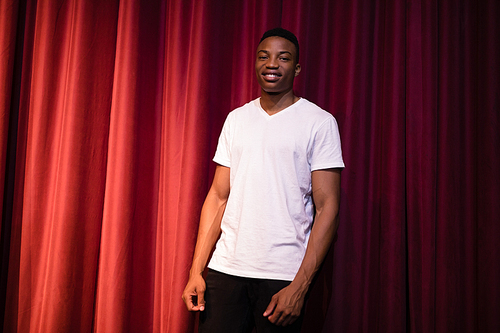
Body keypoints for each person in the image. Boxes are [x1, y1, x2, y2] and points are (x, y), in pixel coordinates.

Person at [182, 27, 344, 332]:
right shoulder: (237, 119)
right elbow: (218, 198)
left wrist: (300, 287)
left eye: (283, 58)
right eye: (264, 56)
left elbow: (328, 209)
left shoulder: (319, 122)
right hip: (224, 269)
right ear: (255, 63)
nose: (272, 64)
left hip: (282, 276)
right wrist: (196, 271)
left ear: (296, 68)